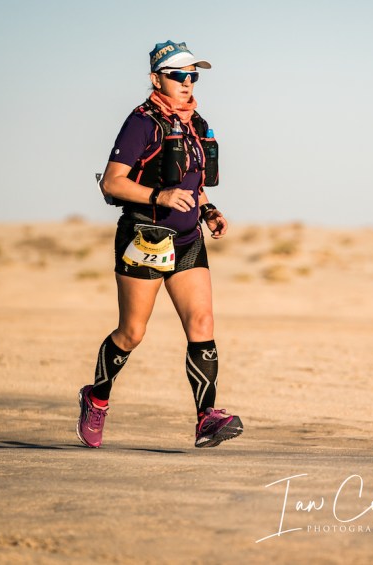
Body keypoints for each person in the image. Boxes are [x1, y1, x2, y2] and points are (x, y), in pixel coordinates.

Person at [76, 40, 243, 449]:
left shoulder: (195, 122)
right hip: (145, 238)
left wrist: (208, 210)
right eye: (178, 75)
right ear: (156, 79)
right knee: (132, 332)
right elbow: (112, 182)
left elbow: (192, 183)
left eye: (193, 76)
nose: (187, 83)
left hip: (188, 240)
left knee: (202, 323)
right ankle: (96, 398)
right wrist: (159, 196)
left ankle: (206, 418)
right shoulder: (141, 123)